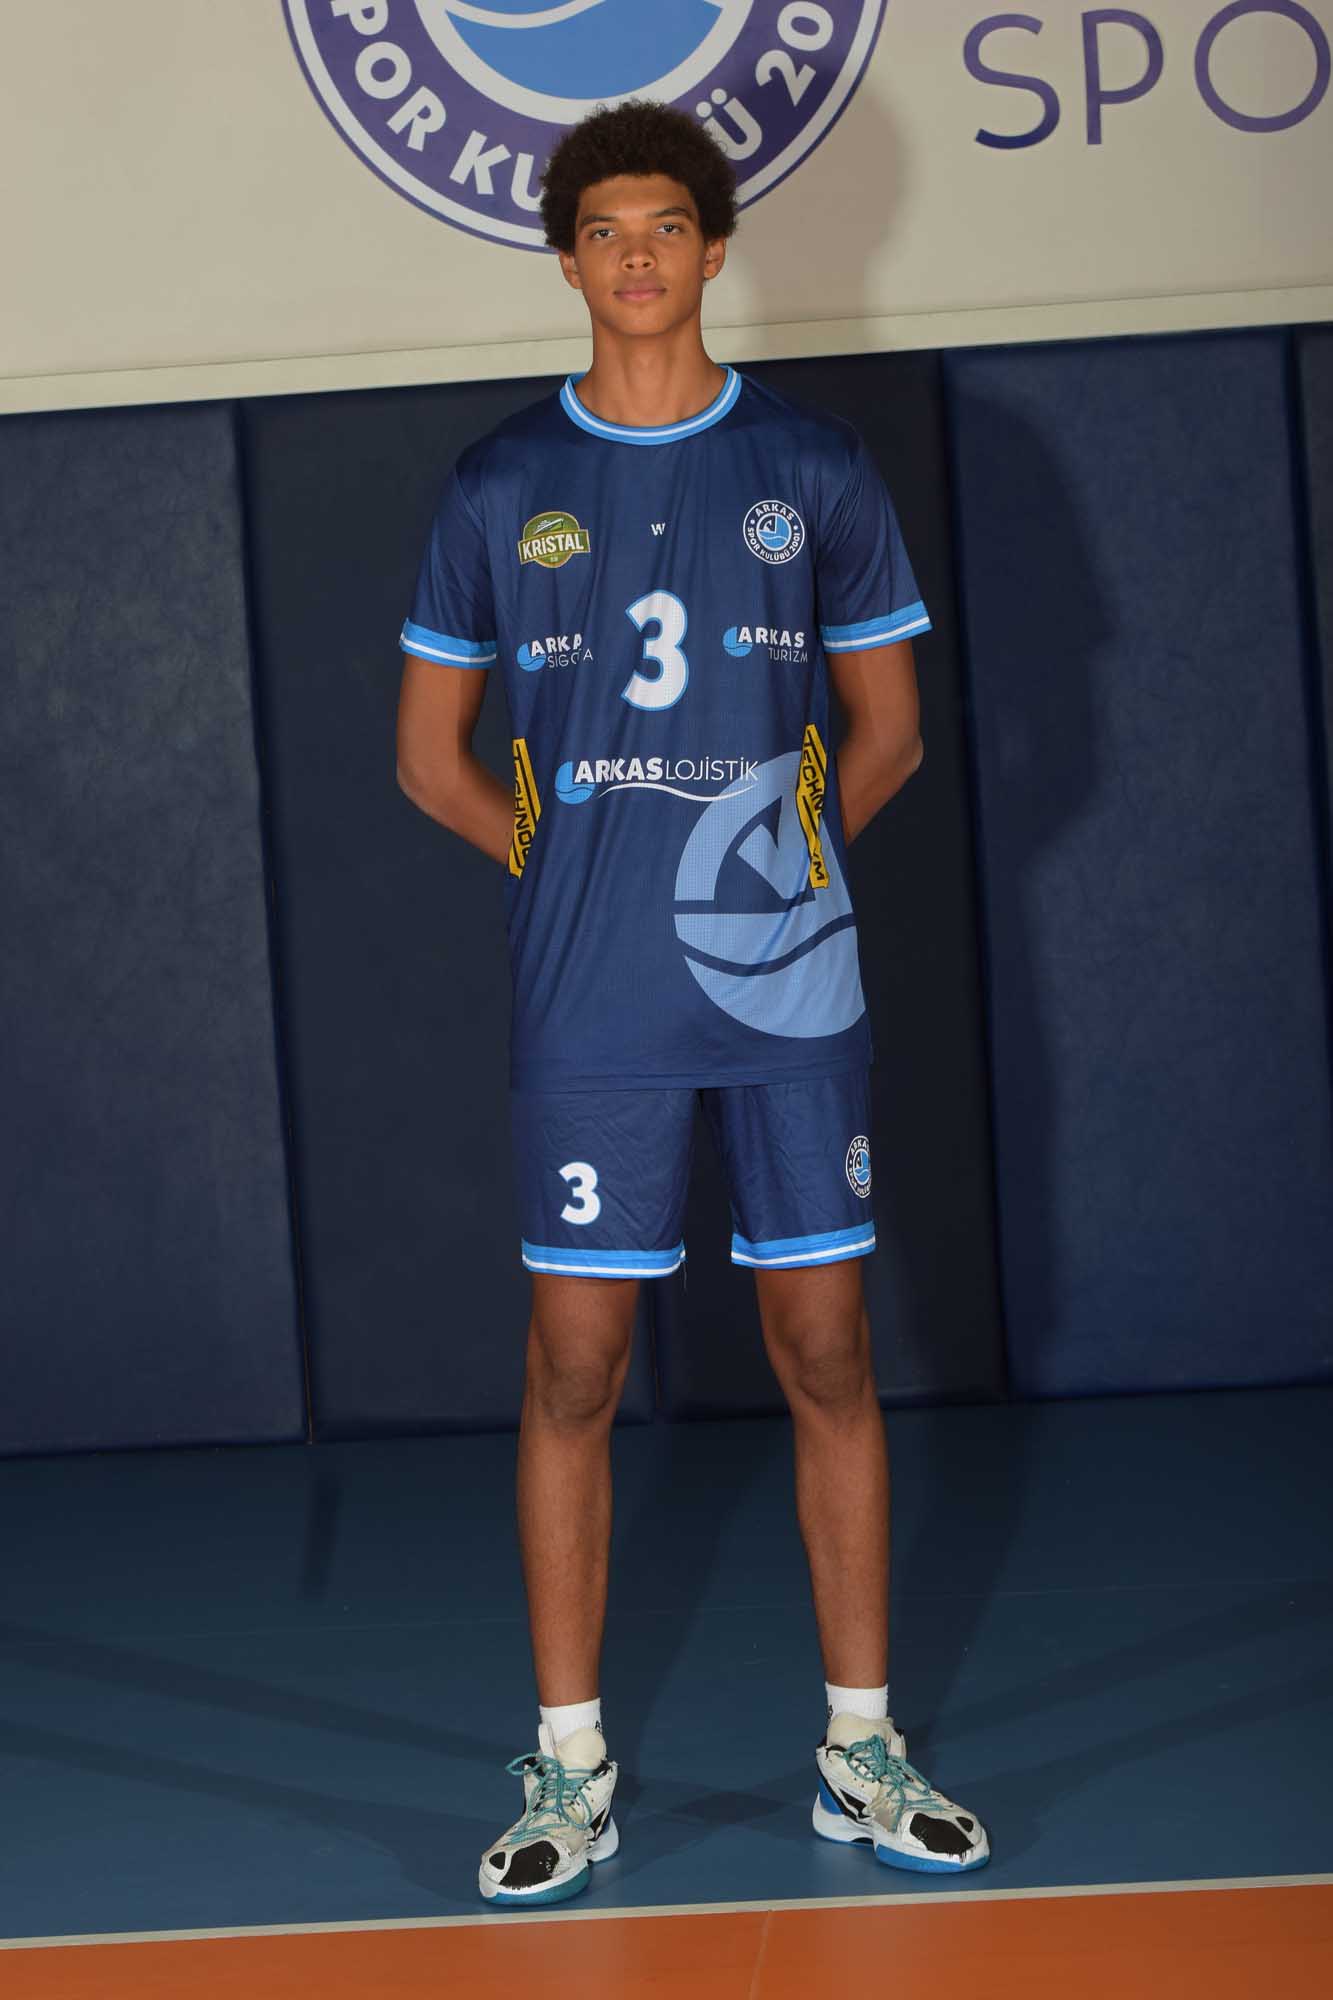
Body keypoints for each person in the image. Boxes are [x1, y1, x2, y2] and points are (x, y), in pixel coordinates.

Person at [395, 99, 989, 1907]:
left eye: (666, 226)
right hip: (590, 996)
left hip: (785, 983)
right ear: (566, 261)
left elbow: (887, 729)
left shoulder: (813, 463)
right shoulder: (498, 483)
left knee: (828, 1351)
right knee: (575, 1365)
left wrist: (773, 865)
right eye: (604, 231)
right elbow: (428, 758)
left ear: (714, 249)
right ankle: (567, 1764)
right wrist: (553, 865)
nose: (636, 255)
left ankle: (860, 1746)